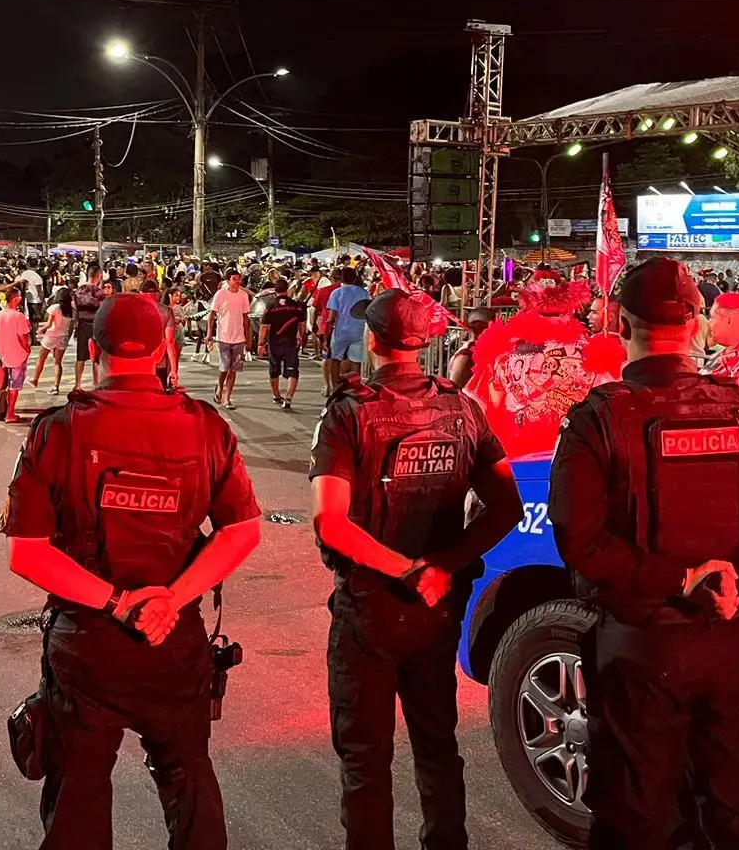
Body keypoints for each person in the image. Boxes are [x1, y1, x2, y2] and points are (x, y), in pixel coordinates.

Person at [548, 258, 739, 850]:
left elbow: (581, 543)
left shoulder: (599, 419)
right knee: (738, 814)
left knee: (636, 819)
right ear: (698, 322)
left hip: (640, 648)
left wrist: (682, 578)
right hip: (729, 642)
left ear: (621, 322)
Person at [2, 292, 263, 849]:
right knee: (188, 782)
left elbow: (28, 551)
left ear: (93, 348)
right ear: (163, 347)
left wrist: (118, 603)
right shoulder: (205, 426)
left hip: (88, 644)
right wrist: (171, 599)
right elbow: (242, 530)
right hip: (174, 640)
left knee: (79, 796)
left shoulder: (61, 429)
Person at [309, 288, 522, 850]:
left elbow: (330, 523)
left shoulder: (349, 411)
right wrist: (441, 567)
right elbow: (506, 506)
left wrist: (404, 569)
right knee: (436, 745)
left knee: (365, 761)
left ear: (373, 341)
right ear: (423, 342)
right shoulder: (461, 407)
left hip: (371, 609)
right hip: (437, 605)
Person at [205, 269, 252, 410]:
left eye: (239, 279)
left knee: (234, 369)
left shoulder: (243, 296)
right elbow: (212, 315)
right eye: (234, 279)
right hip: (223, 336)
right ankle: (220, 386)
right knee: (225, 367)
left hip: (239, 337)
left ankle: (227, 398)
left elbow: (245, 318)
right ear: (227, 280)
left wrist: (248, 338)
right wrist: (209, 334)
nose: (237, 281)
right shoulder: (221, 294)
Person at [256, 279, 306, 411]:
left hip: (275, 343)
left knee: (274, 370)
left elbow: (264, 327)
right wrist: (301, 337)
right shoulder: (296, 305)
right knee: (293, 371)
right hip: (291, 343)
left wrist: (261, 344)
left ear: (275, 291)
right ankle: (289, 397)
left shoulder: (271, 307)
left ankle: (276, 395)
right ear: (287, 289)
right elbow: (302, 325)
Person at [0, 286, 32, 423]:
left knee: (4, 385)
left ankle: (3, 410)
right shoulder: (19, 316)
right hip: (17, 355)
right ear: (15, 299)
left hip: (2, 354)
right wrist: (27, 349)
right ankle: (10, 413)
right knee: (14, 385)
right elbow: (23, 337)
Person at [324, 267, 369, 387]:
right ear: (355, 278)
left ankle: (335, 388)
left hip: (340, 332)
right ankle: (354, 388)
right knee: (356, 363)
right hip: (359, 332)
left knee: (335, 361)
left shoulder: (337, 293)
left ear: (342, 278)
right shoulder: (364, 293)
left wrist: (326, 337)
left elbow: (330, 318)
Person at [32, 287, 72, 395]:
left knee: (41, 358)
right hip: (63, 337)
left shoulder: (54, 307)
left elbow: (49, 324)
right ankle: (56, 386)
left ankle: (35, 379)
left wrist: (41, 329)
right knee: (57, 363)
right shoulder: (71, 309)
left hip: (52, 336)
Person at [72, 266, 105, 390]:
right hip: (95, 326)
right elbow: (102, 310)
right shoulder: (98, 292)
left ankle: (77, 385)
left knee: (80, 357)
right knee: (95, 357)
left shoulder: (79, 290)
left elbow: (75, 309)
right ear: (98, 275)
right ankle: (96, 384)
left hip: (81, 326)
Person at [447, 306, 493, 389]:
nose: (478, 332)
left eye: (482, 328)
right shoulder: (465, 356)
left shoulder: (500, 353)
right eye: (475, 327)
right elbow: (454, 389)